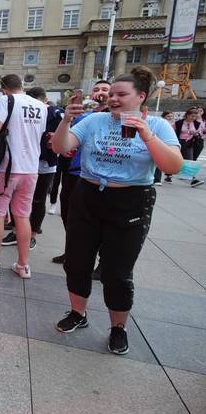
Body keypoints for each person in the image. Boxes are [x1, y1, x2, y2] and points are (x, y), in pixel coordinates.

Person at [51, 67, 182, 355]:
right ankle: (78, 313)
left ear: (140, 96)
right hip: (88, 195)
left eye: (121, 94)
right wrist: (67, 120)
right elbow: (61, 148)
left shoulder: (158, 125)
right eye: (112, 94)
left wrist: (146, 134)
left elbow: (173, 166)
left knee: (117, 271)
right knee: (77, 261)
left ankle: (118, 327)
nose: (113, 99)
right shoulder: (94, 120)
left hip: (131, 200)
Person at [0, 75, 46, 279]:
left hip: (6, 168)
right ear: (22, 86)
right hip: (30, 169)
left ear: (3, 89)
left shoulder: (6, 100)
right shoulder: (40, 105)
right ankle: (23, 265)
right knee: (22, 216)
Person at [51, 80, 110, 264]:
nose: (100, 93)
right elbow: (64, 142)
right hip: (76, 173)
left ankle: (102, 261)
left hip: (103, 178)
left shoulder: (119, 118)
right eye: (96, 89)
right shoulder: (85, 117)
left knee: (101, 222)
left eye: (105, 90)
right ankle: (73, 251)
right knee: (70, 214)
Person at [4, 87, 61, 247]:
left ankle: (32, 234)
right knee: (16, 198)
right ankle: (16, 230)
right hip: (23, 162)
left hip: (43, 164)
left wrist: (56, 137)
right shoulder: (20, 110)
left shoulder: (53, 112)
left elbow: (65, 130)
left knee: (37, 200)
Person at [175, 107, 205, 187]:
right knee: (175, 159)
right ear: (187, 115)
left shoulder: (197, 123)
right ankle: (168, 175)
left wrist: (195, 133)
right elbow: (175, 132)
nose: (193, 118)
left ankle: (193, 180)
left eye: (195, 116)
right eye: (192, 116)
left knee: (190, 160)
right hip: (179, 142)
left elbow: (199, 133)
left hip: (189, 143)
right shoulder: (179, 122)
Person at [154, 111, 175, 185]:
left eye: (171, 116)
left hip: (167, 145)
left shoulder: (173, 125)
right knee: (157, 161)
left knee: (164, 161)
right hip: (158, 144)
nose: (170, 118)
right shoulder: (159, 124)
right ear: (163, 117)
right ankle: (157, 179)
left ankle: (168, 176)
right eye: (168, 116)